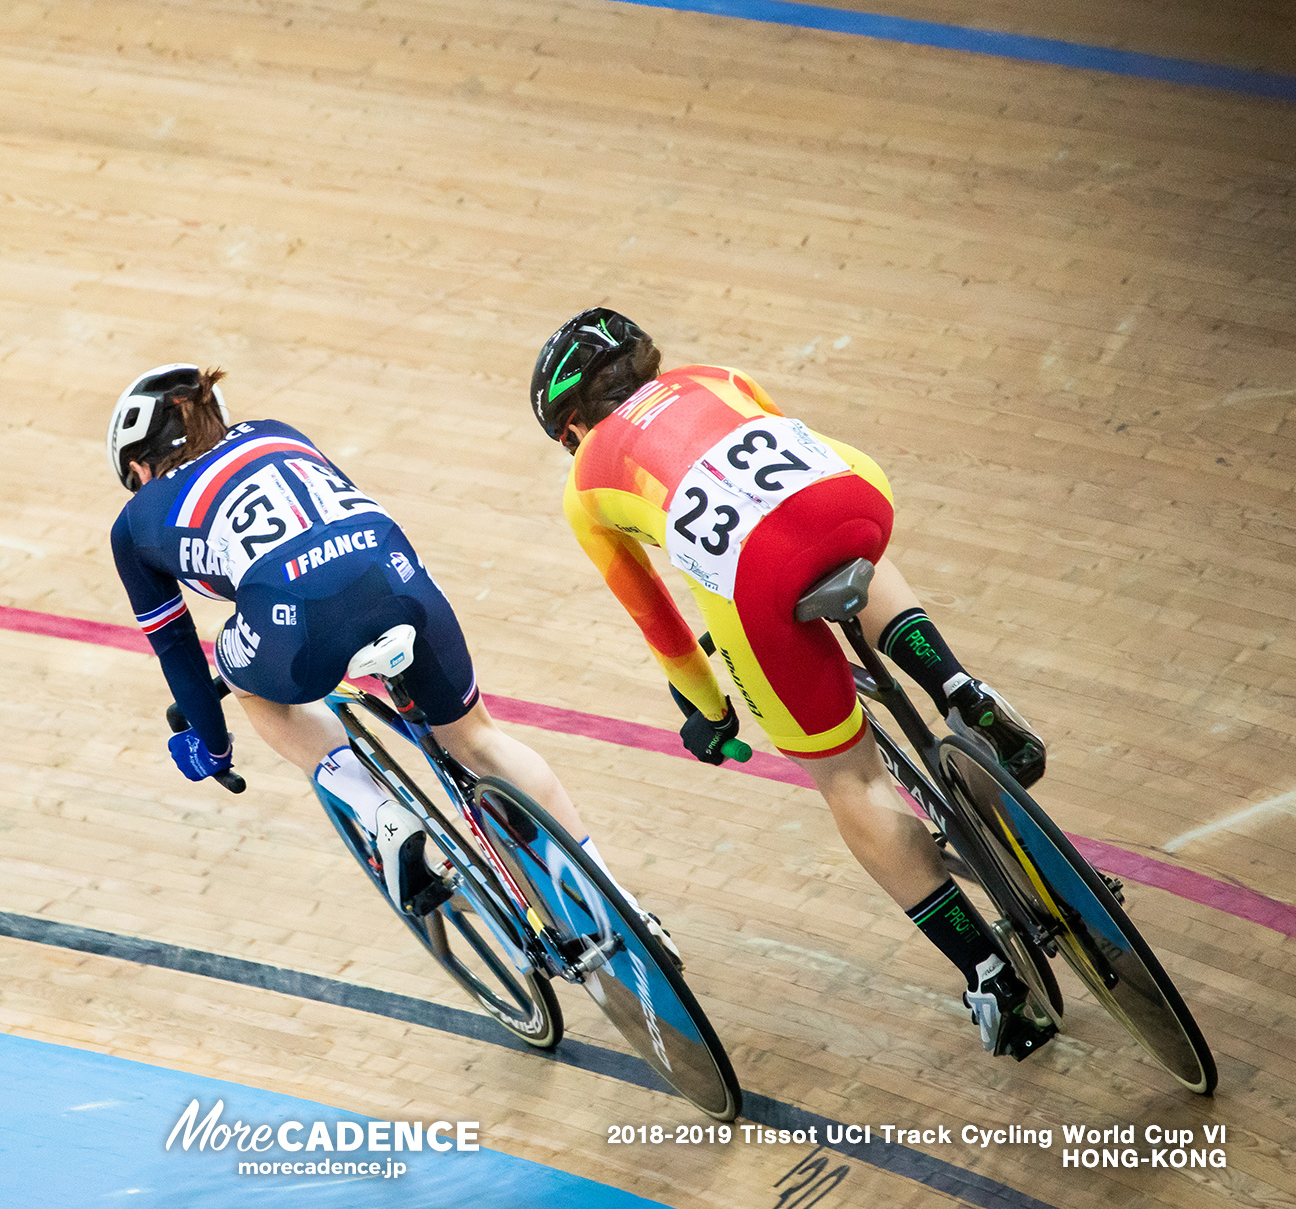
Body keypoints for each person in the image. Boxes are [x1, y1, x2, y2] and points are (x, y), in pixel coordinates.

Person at [528, 308, 1052, 1058]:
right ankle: (958, 687)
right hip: (857, 496)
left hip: (758, 574)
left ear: (572, 424)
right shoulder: (716, 377)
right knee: (839, 544)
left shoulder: (585, 482)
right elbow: (790, 485)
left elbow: (662, 626)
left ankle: (990, 973)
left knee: (848, 776)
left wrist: (707, 711)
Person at [108, 363, 625, 921]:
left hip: (292, 618)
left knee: (244, 683)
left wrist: (212, 745)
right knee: (479, 739)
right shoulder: (277, 432)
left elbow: (177, 648)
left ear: (140, 466)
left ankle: (380, 813)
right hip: (395, 579)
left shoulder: (134, 523)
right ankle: (622, 908)